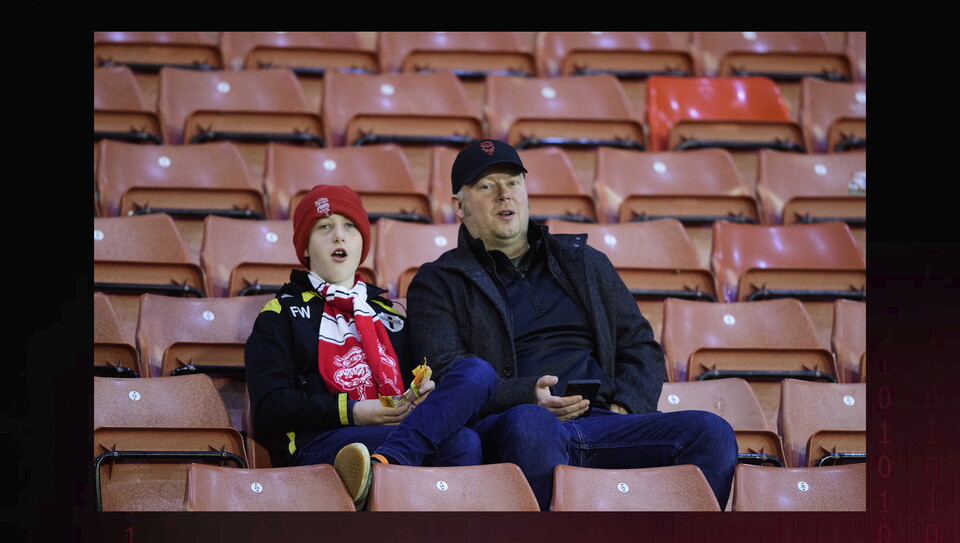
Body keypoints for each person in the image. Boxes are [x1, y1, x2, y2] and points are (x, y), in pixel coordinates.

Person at [406, 140, 739, 510]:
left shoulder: (584, 263)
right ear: (459, 206)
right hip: (509, 425)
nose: (504, 195)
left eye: (513, 182)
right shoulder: (437, 281)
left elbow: (640, 346)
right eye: (486, 186)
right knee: (532, 424)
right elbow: (448, 374)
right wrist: (525, 394)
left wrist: (624, 409)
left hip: (601, 422)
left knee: (712, 432)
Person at [245, 184, 496, 510]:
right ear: (304, 248)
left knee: (476, 374)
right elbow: (270, 406)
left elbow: (415, 380)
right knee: (460, 441)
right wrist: (354, 412)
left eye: (350, 226)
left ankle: (387, 461)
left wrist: (421, 393)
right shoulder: (280, 314)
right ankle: (388, 464)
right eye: (325, 227)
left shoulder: (391, 314)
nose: (339, 236)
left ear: (362, 243)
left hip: (400, 433)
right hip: (320, 444)